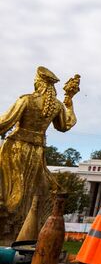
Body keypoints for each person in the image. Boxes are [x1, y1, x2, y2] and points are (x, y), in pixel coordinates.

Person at [0, 66, 79, 243]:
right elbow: (66, 125)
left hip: (16, 149)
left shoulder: (27, 100)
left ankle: (9, 227)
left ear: (38, 82)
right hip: (37, 153)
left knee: (11, 189)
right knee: (29, 192)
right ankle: (20, 230)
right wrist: (69, 102)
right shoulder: (56, 106)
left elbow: (4, 123)